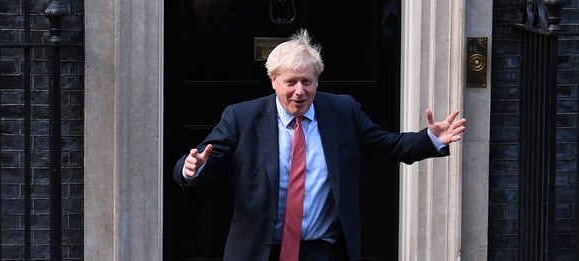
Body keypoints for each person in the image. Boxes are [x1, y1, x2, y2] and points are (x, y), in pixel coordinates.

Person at [173, 29, 466, 261]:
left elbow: (388, 145)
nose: (300, 91)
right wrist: (191, 168)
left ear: (317, 81)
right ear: (273, 80)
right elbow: (206, 158)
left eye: (307, 82)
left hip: (324, 251)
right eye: (291, 82)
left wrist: (430, 139)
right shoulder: (242, 117)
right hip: (260, 252)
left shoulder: (342, 111)